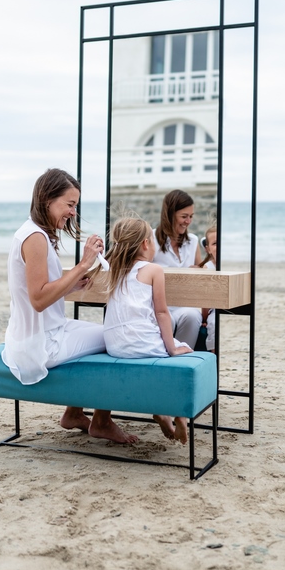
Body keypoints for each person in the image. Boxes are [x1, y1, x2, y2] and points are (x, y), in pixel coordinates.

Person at [1, 168, 137, 445]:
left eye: (75, 205)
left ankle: (74, 413)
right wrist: (84, 264)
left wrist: (72, 284)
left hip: (40, 333)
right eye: (70, 204)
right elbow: (38, 300)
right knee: (115, 336)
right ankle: (101, 422)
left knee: (105, 331)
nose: (73, 212)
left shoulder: (35, 233)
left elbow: (36, 292)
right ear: (47, 200)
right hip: (40, 343)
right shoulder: (35, 238)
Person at [102, 216, 193, 444]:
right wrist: (172, 346)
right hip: (140, 341)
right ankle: (178, 413)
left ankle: (162, 412)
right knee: (183, 353)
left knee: (154, 353)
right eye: (152, 241)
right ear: (145, 243)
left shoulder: (114, 269)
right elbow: (162, 312)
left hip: (114, 345)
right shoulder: (153, 269)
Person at [152, 189, 203, 348]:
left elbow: (202, 280)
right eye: (184, 216)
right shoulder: (151, 239)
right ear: (170, 214)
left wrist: (198, 272)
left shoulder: (193, 241)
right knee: (160, 318)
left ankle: (182, 358)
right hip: (158, 307)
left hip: (184, 307)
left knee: (193, 314)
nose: (188, 221)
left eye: (191, 216)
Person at [199, 225, 217, 353]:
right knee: (214, 325)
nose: (220, 246)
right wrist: (204, 318)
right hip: (213, 310)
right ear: (208, 249)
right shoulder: (208, 268)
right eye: (215, 243)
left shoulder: (229, 266)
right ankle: (214, 354)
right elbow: (204, 299)